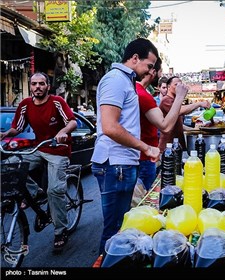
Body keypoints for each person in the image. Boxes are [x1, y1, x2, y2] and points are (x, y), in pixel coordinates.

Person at [91, 38, 161, 255]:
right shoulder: (116, 80)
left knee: (120, 228)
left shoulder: (125, 80)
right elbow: (110, 127)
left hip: (121, 164)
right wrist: (145, 148)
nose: (150, 71)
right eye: (149, 65)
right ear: (134, 58)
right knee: (114, 231)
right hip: (115, 164)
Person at [0, 72, 77, 252]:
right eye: (34, 84)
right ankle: (35, 192)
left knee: (55, 190)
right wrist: (5, 134)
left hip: (58, 150)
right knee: (9, 166)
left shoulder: (57, 101)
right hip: (39, 149)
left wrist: (63, 132)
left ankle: (60, 231)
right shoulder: (25, 105)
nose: (37, 87)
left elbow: (72, 122)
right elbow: (17, 127)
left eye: (41, 84)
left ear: (47, 86)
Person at [137, 59, 189, 190]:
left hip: (148, 153)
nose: (161, 76)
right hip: (147, 155)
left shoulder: (141, 92)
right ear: (152, 71)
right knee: (149, 193)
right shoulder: (147, 96)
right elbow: (165, 125)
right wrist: (180, 97)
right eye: (160, 72)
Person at [158, 76, 210, 153]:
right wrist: (199, 104)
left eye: (180, 84)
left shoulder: (175, 101)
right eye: (176, 85)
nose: (179, 87)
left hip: (178, 145)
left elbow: (179, 125)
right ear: (169, 87)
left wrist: (195, 130)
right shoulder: (166, 100)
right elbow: (180, 110)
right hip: (168, 147)